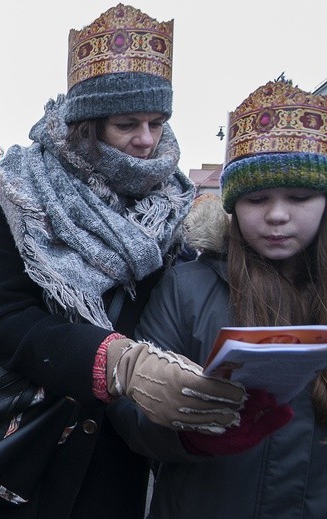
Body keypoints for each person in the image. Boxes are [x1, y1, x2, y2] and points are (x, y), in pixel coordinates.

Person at [0, 5, 249, 519]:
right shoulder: (17, 185)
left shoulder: (173, 198)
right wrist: (116, 362)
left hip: (115, 451)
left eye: (157, 122)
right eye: (127, 123)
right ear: (87, 123)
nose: (147, 140)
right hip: (23, 438)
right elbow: (3, 317)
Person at [109, 79, 326, 518]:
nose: (277, 215)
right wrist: (192, 429)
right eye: (257, 198)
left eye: (300, 197)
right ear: (231, 205)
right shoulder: (187, 287)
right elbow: (130, 414)